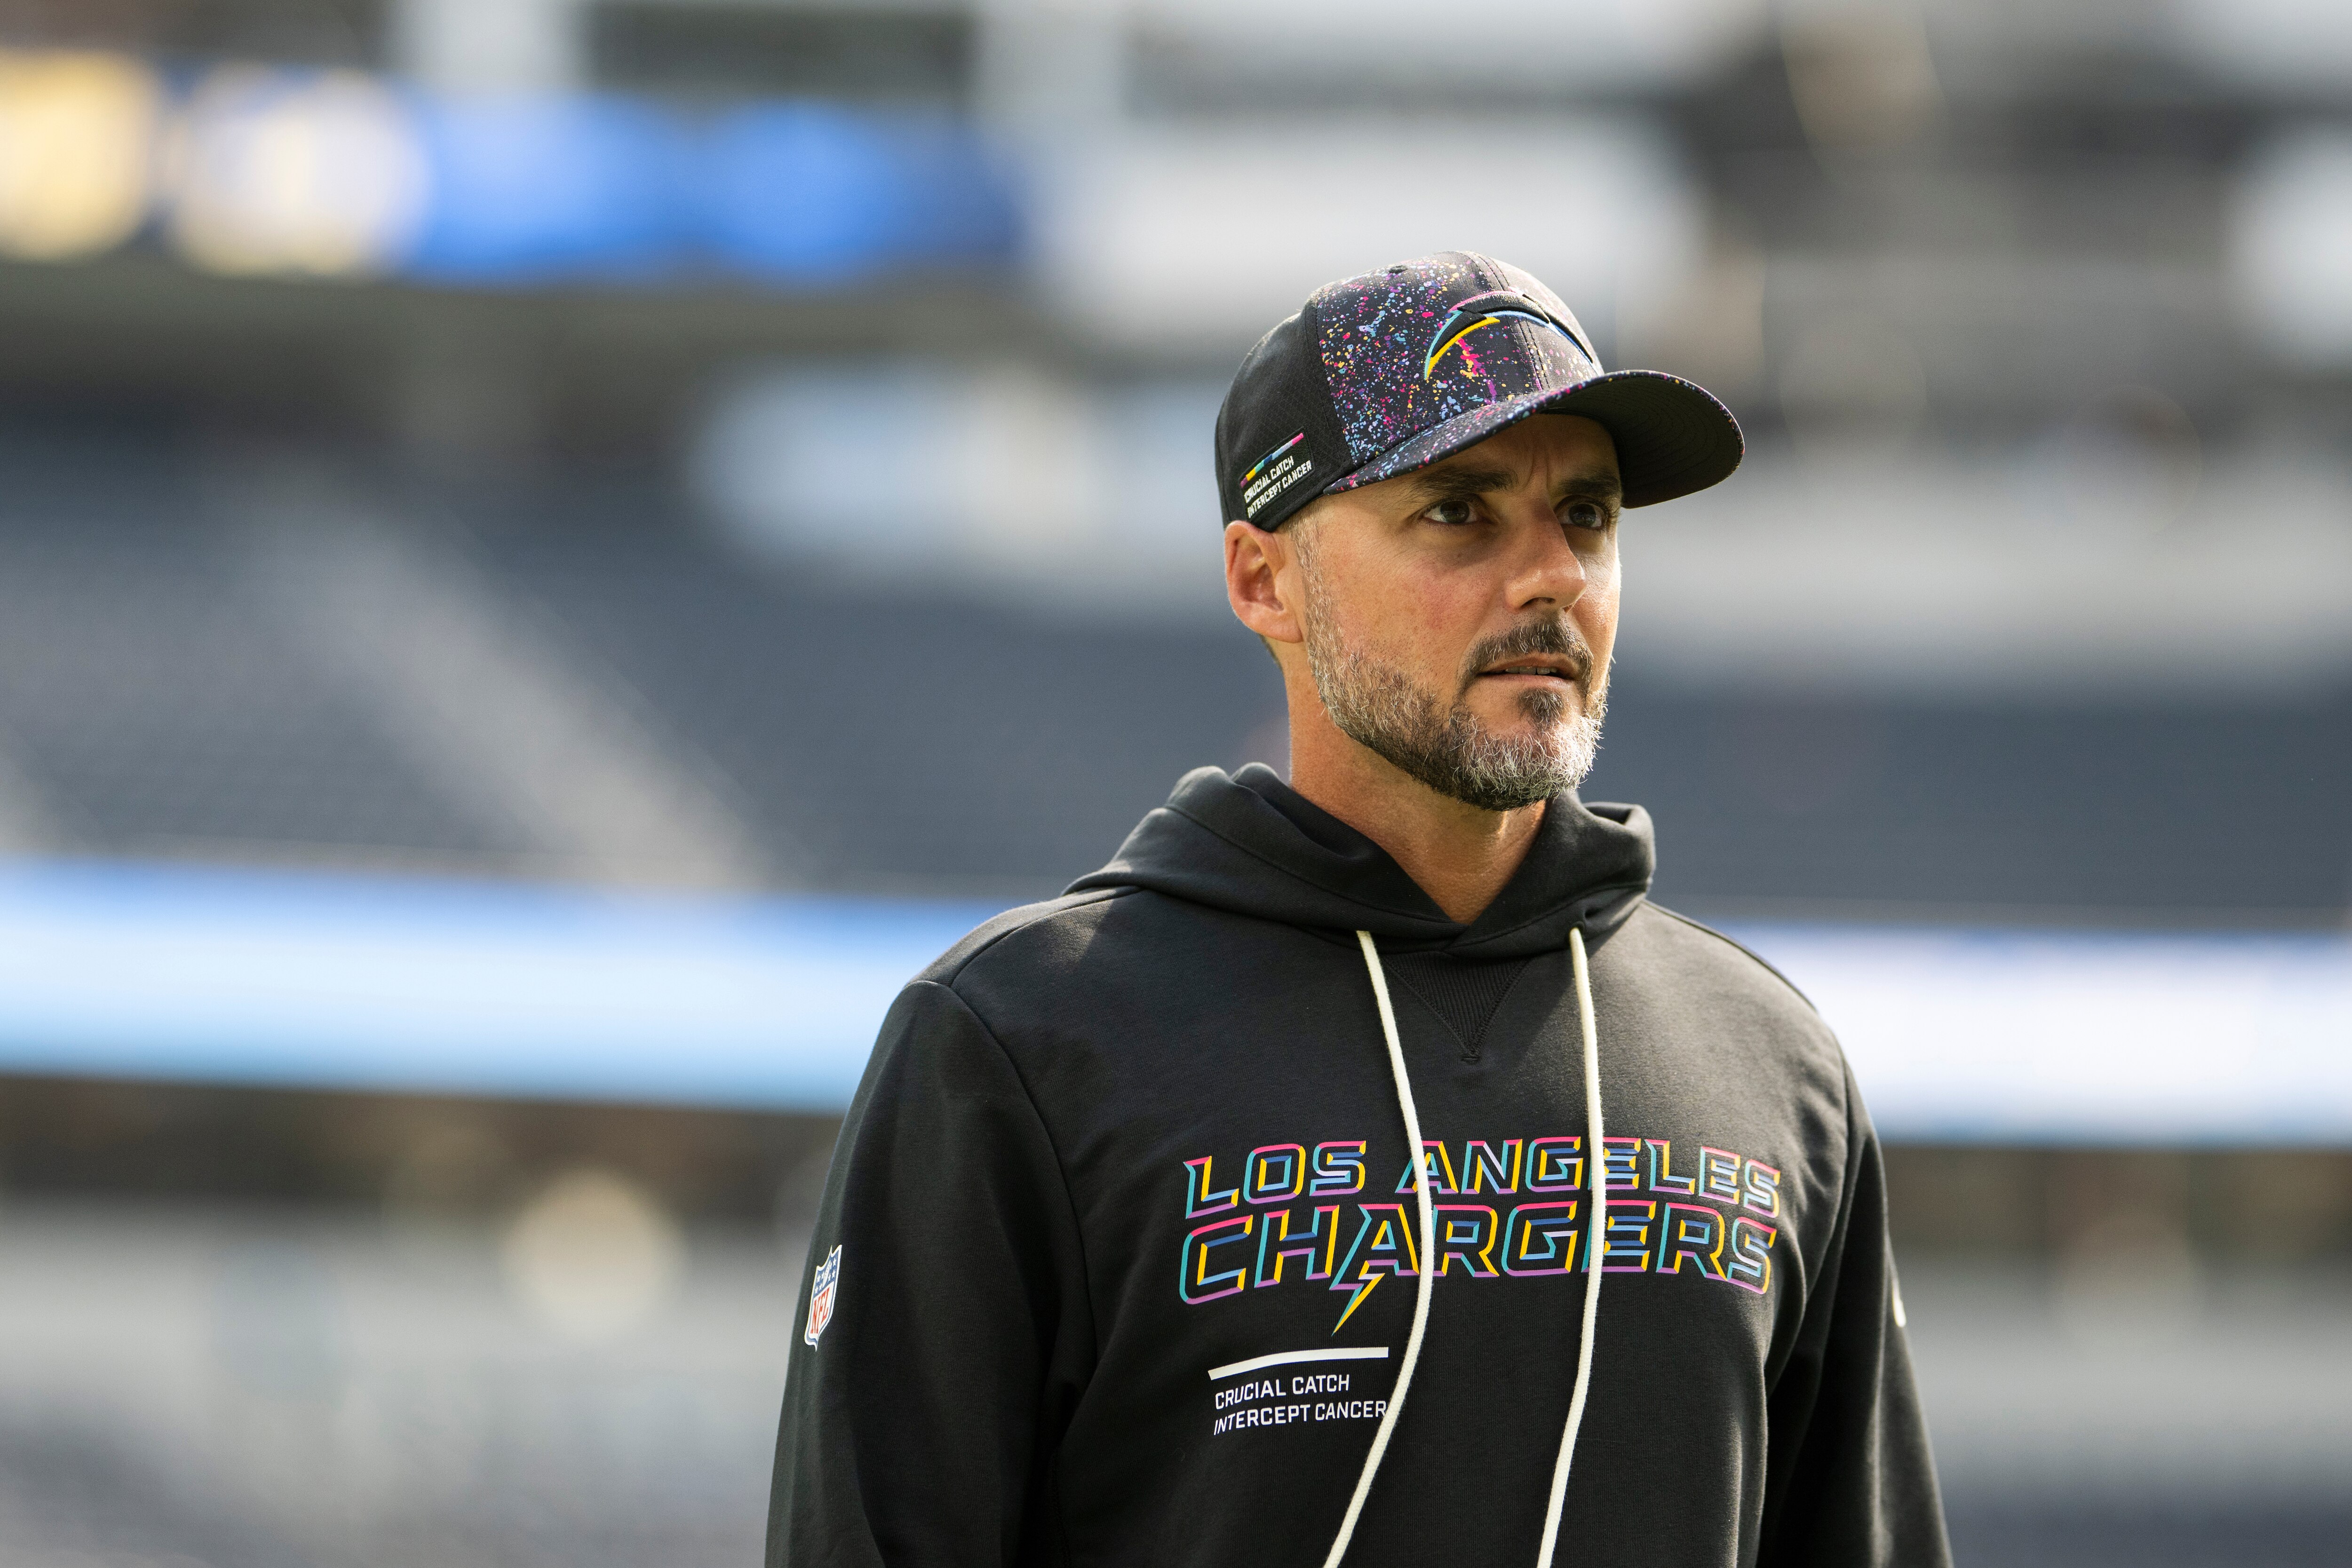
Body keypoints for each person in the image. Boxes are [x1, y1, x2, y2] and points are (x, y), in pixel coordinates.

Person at [766, 251, 1950, 1568]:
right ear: (1263, 579)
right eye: (1459, 511)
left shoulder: (1774, 1065)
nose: (1551, 576)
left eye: (1588, 515)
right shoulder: (1019, 1041)